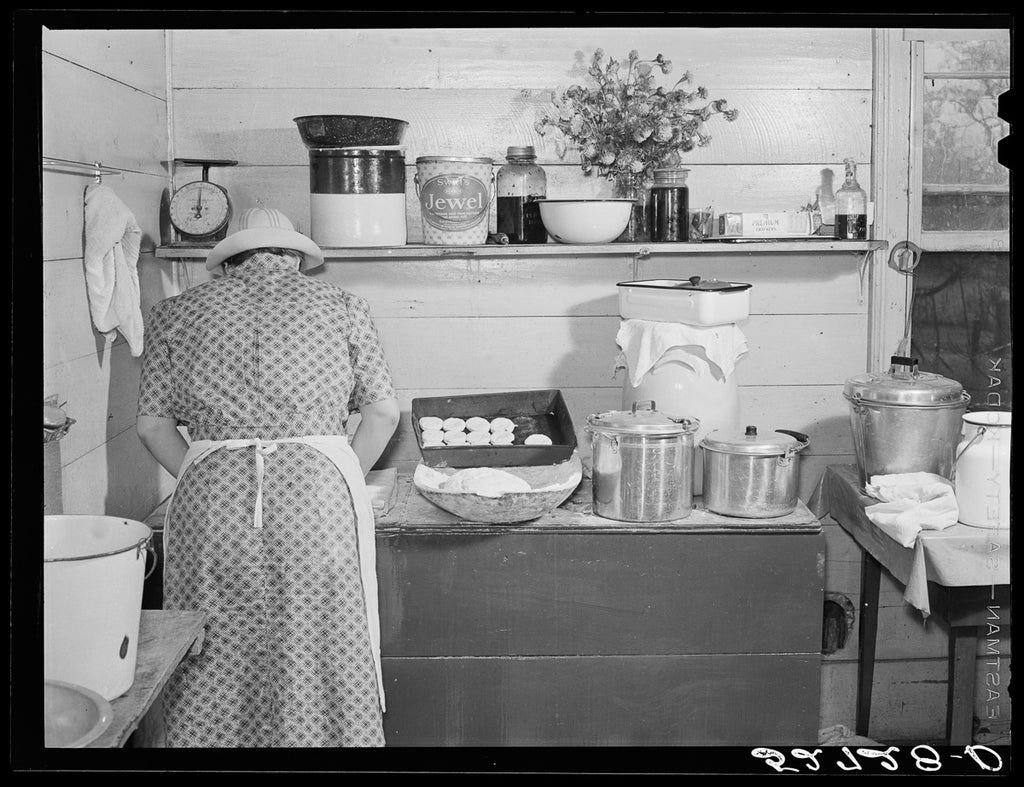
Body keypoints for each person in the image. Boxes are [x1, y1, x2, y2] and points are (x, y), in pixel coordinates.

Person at [136, 206, 400, 747]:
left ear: (231, 262)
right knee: (320, 640)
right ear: (297, 259)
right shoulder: (343, 306)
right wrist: (338, 470)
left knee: (210, 642)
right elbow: (383, 415)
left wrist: (201, 469)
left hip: (211, 502)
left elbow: (150, 426)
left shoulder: (175, 313)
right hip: (316, 497)